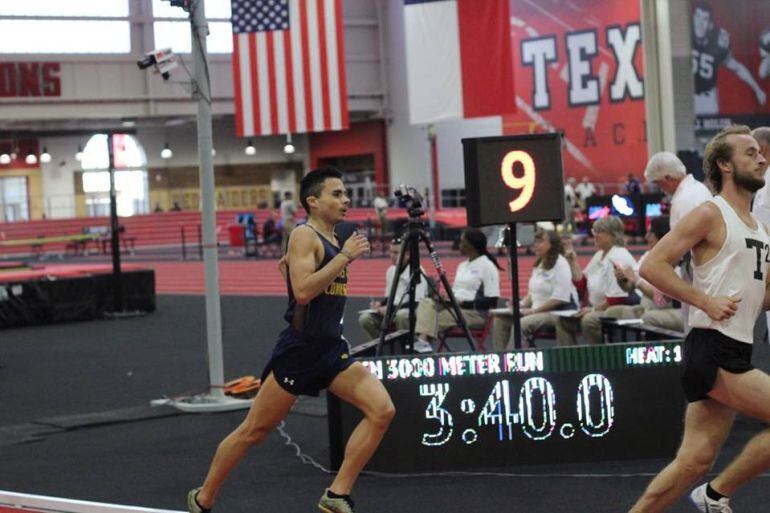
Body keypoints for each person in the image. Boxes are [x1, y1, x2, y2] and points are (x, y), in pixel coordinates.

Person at [187, 167, 393, 513]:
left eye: (345, 193)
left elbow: (304, 278)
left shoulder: (333, 238)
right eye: (337, 194)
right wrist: (344, 258)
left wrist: (325, 259)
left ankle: (336, 494)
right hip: (300, 352)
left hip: (331, 349)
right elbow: (303, 292)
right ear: (313, 201)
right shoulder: (303, 235)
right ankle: (203, 497)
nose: (346, 200)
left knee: (382, 411)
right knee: (254, 431)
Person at [628, 125, 769, 513]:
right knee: (698, 466)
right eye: (750, 152)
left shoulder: (760, 228)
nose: (761, 158)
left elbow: (762, 296)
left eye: (761, 153)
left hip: (733, 346)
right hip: (712, 347)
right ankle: (715, 495)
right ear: (725, 164)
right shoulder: (710, 212)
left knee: (693, 462)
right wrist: (705, 301)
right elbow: (652, 265)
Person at [644, 151, 713, 334]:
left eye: (659, 183)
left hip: (697, 271)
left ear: (668, 178)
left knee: (695, 330)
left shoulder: (684, 199)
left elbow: (676, 250)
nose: (661, 189)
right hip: (704, 270)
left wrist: (664, 284)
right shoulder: (699, 189)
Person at [412, 228, 501, 353]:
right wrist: (447, 298)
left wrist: (463, 303)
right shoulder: (462, 266)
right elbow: (457, 292)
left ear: (471, 245)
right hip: (454, 307)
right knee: (426, 303)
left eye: (462, 242)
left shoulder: (488, 267)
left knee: (425, 319)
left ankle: (422, 344)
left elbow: (492, 301)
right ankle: (423, 342)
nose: (458, 244)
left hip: (474, 313)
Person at [556, 216, 636, 346]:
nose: (595, 235)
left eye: (599, 232)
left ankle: (599, 354)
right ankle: (569, 356)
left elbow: (617, 298)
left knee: (589, 320)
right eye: (594, 231)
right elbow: (582, 285)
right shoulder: (599, 255)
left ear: (612, 235)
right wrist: (572, 262)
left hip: (615, 310)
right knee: (563, 321)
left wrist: (593, 309)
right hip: (597, 308)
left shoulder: (619, 256)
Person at [492, 229, 578, 350]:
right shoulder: (540, 264)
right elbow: (532, 293)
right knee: (500, 320)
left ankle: (513, 359)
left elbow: (560, 299)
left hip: (557, 313)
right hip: (537, 310)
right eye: (535, 242)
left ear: (552, 244)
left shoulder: (560, 264)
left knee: (521, 324)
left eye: (540, 242)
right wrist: (519, 305)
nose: (536, 245)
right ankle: (500, 357)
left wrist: (534, 311)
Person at [691, 1, 766, 116]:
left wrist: (757, 90)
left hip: (706, 99)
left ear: (710, 25)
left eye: (704, 19)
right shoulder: (683, 34)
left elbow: (737, 68)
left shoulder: (718, 41)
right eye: (698, 16)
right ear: (693, 18)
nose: (700, 23)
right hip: (685, 95)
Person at [613, 216, 684, 332]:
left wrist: (637, 281)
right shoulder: (648, 255)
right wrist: (621, 279)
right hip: (650, 307)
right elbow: (629, 286)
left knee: (648, 318)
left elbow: (662, 300)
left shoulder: (676, 259)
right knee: (618, 312)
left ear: (661, 236)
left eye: (650, 233)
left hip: (674, 309)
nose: (646, 237)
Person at [358, 238, 427, 341]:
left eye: (395, 253)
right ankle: (382, 346)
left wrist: (390, 309)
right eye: (390, 252)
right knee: (365, 319)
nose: (391, 256)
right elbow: (389, 298)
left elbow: (416, 303)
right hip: (392, 311)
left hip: (411, 311)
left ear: (407, 255)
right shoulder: (391, 271)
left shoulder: (417, 272)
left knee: (401, 316)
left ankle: (406, 346)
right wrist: (380, 304)